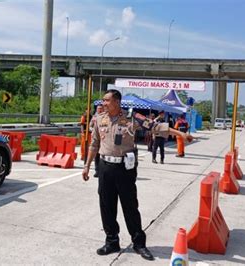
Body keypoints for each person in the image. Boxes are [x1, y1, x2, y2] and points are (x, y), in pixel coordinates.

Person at [82, 89, 193, 261]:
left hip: (124, 169)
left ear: (117, 102)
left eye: (107, 100)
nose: (103, 103)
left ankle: (139, 243)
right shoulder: (98, 119)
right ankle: (112, 241)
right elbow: (94, 144)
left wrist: (180, 134)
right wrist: (87, 166)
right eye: (103, 100)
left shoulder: (132, 118)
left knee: (130, 207)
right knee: (106, 206)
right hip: (105, 167)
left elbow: (157, 126)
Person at [90, 104, 104, 177]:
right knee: (97, 156)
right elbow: (90, 126)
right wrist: (94, 130)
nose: (100, 110)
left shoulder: (106, 117)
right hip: (96, 139)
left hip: (104, 139)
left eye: (101, 108)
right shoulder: (94, 117)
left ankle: (103, 171)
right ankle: (97, 171)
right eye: (98, 108)